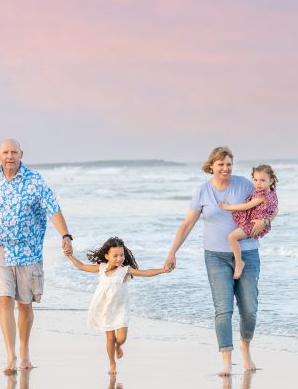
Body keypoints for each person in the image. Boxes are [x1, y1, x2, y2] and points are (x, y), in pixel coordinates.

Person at [0, 138, 73, 372]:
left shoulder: (35, 181)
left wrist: (65, 235)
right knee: (4, 299)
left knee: (24, 304)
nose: (9, 156)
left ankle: (24, 352)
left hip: (28, 251)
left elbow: (53, 209)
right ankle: (10, 356)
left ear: (22, 154)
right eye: (5, 152)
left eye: (14, 152)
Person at [163, 147, 268, 375]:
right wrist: (172, 253)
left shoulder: (246, 185)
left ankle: (246, 348)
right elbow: (186, 225)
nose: (225, 168)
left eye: (229, 164)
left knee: (249, 308)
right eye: (220, 164)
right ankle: (226, 359)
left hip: (248, 253)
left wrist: (266, 221)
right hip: (215, 256)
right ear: (211, 166)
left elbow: (269, 203)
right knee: (223, 309)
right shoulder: (202, 192)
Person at [65, 236, 167, 374]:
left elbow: (145, 273)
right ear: (107, 256)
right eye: (116, 255)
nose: (120, 258)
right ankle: (112, 363)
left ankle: (118, 346)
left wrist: (162, 270)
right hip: (105, 308)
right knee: (110, 338)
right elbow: (81, 266)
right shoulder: (101, 268)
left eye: (122, 255)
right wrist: (70, 256)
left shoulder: (125, 270)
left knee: (121, 338)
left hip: (120, 308)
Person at [218, 165, 279, 280]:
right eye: (255, 180)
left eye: (262, 180)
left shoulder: (262, 194)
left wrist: (227, 207)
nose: (258, 183)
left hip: (254, 224)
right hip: (260, 222)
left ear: (271, 181)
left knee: (232, 237)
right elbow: (275, 209)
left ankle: (239, 262)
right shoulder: (272, 192)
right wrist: (266, 220)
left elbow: (247, 206)